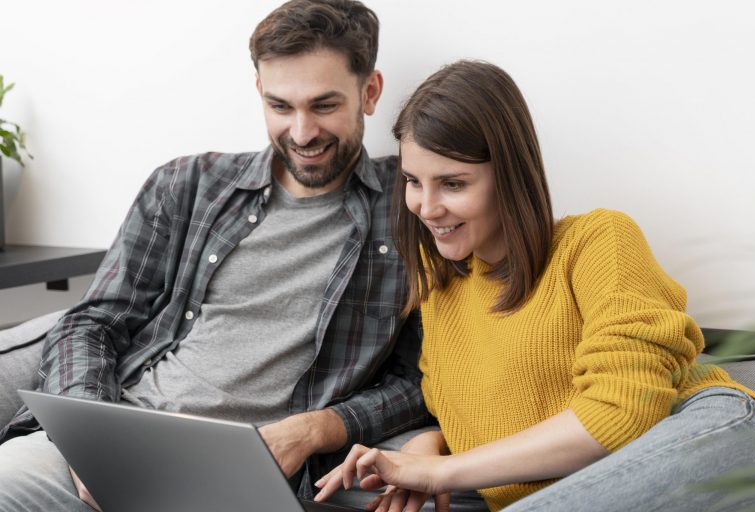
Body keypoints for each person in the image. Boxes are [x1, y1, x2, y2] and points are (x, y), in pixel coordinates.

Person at [0, 1, 432, 510]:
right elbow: (92, 323)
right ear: (258, 93)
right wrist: (90, 439)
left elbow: (420, 381)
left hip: (247, 466)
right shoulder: (186, 185)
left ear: (370, 92)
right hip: (125, 431)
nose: (301, 132)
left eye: (323, 105)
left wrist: (316, 429)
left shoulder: (414, 208)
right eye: (280, 106)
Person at [314, 60, 755, 512]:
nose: (426, 207)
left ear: (510, 177)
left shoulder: (598, 241)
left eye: (452, 184)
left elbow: (625, 410)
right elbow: (504, 414)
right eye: (414, 181)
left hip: (712, 433)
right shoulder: (441, 294)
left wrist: (443, 471)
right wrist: (432, 443)